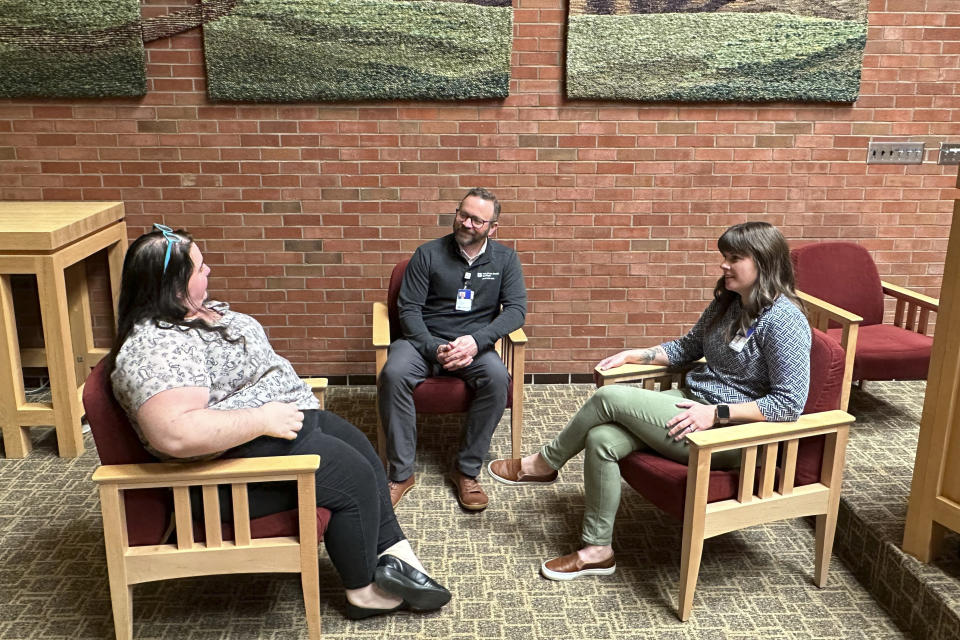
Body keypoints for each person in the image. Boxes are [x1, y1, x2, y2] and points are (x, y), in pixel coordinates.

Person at [107, 224, 451, 619]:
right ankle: (364, 593)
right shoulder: (153, 347)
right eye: (200, 268)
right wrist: (262, 418)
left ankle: (401, 562)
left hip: (267, 433)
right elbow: (175, 434)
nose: (209, 272)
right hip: (219, 479)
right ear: (173, 285)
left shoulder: (185, 315)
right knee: (351, 476)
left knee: (361, 451)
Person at [488, 221, 811, 580]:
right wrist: (635, 355)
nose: (724, 265)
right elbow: (688, 347)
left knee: (608, 397)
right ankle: (598, 550)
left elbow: (788, 404)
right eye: (724, 257)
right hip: (691, 402)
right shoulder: (730, 303)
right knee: (601, 439)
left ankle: (544, 463)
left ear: (764, 263)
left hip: (732, 434)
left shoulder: (785, 320)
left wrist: (717, 414)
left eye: (735, 258)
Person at [378, 187, 527, 511]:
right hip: (422, 342)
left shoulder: (505, 259)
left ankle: (466, 471)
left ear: (492, 227)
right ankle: (401, 474)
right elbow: (409, 311)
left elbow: (516, 310)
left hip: (475, 347)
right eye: (463, 214)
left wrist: (476, 342)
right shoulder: (427, 254)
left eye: (477, 220)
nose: (467, 223)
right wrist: (434, 347)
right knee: (393, 372)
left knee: (498, 379)